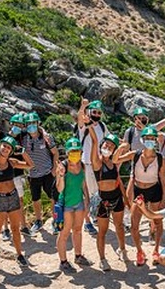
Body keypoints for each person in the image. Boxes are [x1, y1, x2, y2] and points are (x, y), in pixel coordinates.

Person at [115, 126, 165, 266]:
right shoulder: (135, 154)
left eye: (152, 138)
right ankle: (140, 251)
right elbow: (115, 160)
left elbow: (163, 179)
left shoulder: (160, 158)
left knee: (157, 221)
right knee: (134, 225)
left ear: (155, 140)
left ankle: (156, 250)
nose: (150, 141)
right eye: (147, 138)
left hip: (154, 189)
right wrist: (120, 148)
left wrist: (163, 199)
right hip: (139, 190)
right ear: (142, 140)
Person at [0, 137, 34, 270]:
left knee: (15, 229)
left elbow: (30, 165)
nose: (6, 149)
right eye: (4, 146)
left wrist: (22, 151)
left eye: (9, 148)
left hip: (12, 197)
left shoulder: (12, 162)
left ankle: (19, 254)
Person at [0, 102, 31, 240]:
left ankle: (23, 226)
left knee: (20, 201)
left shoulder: (23, 140)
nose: (18, 127)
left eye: (20, 125)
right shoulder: (4, 137)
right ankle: (6, 229)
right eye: (16, 124)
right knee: (3, 203)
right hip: (2, 175)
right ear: (11, 124)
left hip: (16, 174)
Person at [89, 129, 129, 270]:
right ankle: (102, 259)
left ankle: (122, 249)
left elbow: (118, 181)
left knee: (119, 226)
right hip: (103, 201)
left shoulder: (114, 163)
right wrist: (89, 126)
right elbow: (94, 141)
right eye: (106, 145)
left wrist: (126, 199)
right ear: (101, 145)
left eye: (111, 146)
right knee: (103, 231)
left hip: (116, 197)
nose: (108, 147)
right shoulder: (97, 162)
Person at [55, 137, 92, 273]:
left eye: (77, 151)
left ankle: (78, 256)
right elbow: (60, 189)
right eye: (72, 151)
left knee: (77, 230)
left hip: (79, 203)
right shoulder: (62, 167)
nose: (75, 153)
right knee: (64, 233)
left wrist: (87, 200)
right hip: (66, 205)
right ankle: (63, 261)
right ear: (67, 152)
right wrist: (60, 175)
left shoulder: (81, 165)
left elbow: (83, 184)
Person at [21, 112, 59, 235]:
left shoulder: (46, 138)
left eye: (34, 123)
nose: (31, 126)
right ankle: (38, 221)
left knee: (53, 197)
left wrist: (54, 169)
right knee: (35, 199)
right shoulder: (24, 139)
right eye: (29, 123)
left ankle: (56, 221)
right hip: (33, 174)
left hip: (48, 172)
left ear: (38, 123)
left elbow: (55, 153)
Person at [76, 99, 108, 237]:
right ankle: (87, 222)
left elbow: (108, 140)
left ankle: (94, 215)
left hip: (99, 163)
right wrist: (83, 106)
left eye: (99, 112)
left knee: (97, 192)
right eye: (94, 112)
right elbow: (79, 118)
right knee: (87, 194)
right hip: (87, 164)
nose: (96, 114)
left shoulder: (102, 126)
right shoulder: (85, 126)